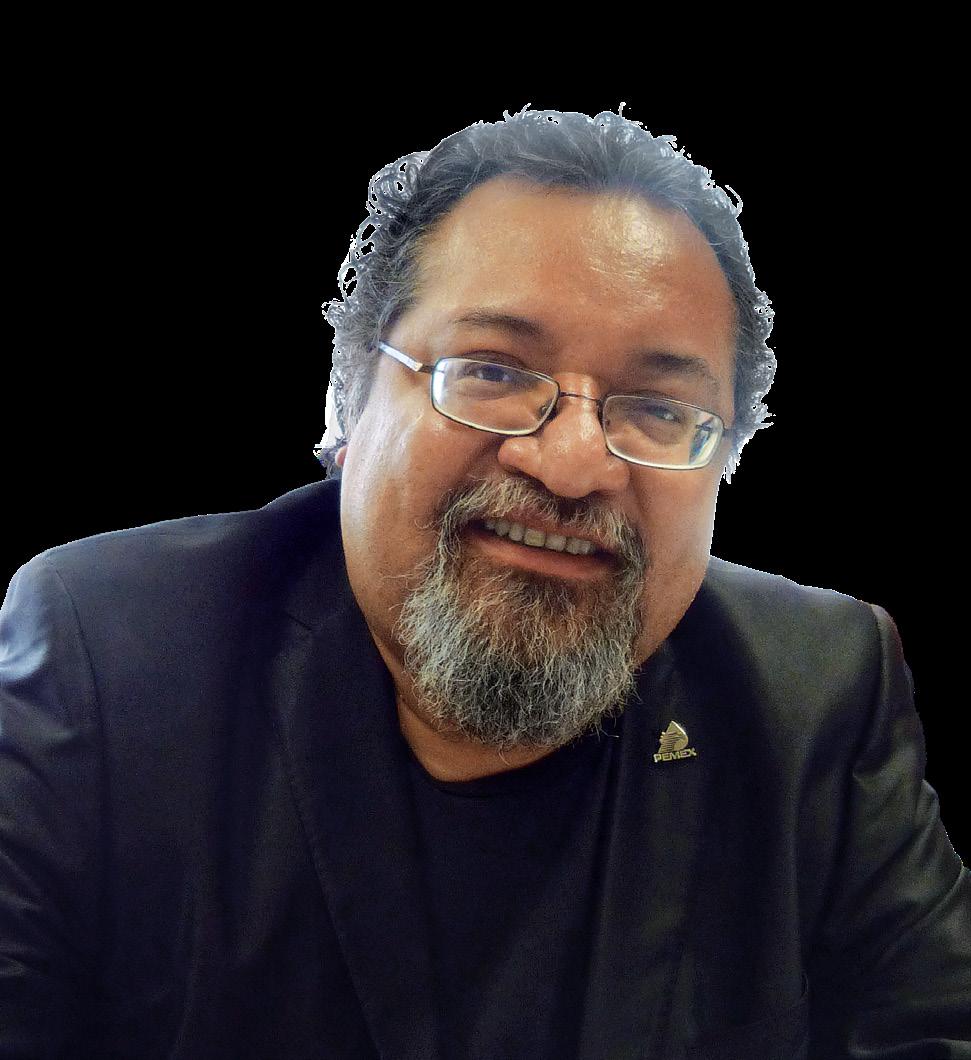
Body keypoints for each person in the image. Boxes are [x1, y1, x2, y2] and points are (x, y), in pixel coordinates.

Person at [1, 106, 968, 1059]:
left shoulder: (819, 693)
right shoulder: (112, 658)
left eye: (658, 408)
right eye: (493, 371)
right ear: (350, 399)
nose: (574, 463)